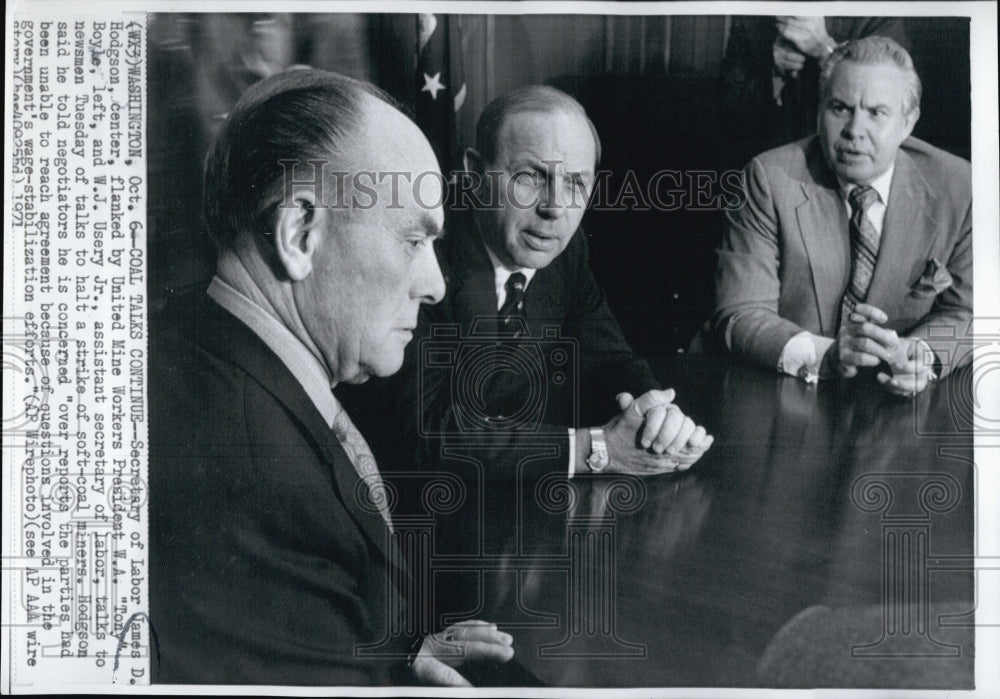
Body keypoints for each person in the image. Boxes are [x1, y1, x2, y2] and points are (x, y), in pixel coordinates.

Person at [149, 69, 516, 686]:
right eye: (413, 239)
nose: (435, 286)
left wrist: (390, 651)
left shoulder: (202, 338)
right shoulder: (249, 478)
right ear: (299, 234)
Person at [342, 85, 714, 488]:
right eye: (531, 177)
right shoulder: (422, 254)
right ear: (475, 173)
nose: (554, 207)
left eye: (575, 183)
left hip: (510, 496)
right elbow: (424, 431)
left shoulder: (563, 252)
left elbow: (608, 359)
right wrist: (595, 449)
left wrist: (657, 417)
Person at [712, 37, 972, 397]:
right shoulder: (768, 179)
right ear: (819, 110)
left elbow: (970, 312)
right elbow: (740, 314)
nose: (854, 130)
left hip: (895, 403)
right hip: (780, 390)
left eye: (876, 113)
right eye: (840, 108)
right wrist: (825, 356)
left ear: (908, 122)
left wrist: (921, 355)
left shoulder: (960, 187)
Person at [720, 16, 907, 168]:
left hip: (850, 168)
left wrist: (825, 50)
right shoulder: (751, 17)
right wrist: (773, 72)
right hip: (770, 170)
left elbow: (887, 98)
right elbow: (726, 116)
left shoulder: (878, 13)